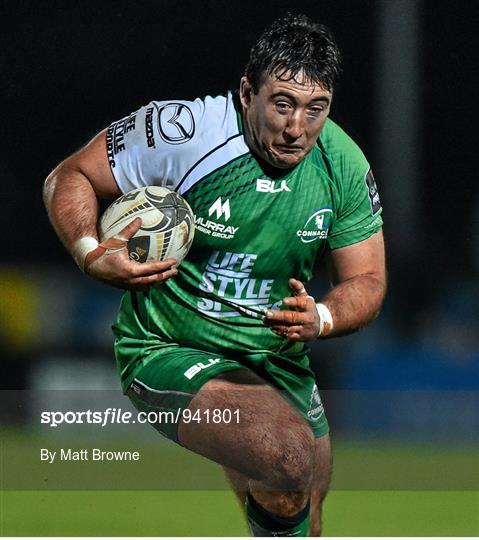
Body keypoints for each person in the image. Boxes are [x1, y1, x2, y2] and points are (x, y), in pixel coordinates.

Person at [43, 13, 386, 537]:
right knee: (289, 457)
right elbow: (70, 176)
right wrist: (91, 251)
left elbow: (367, 281)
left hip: (273, 357)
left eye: (316, 109)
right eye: (283, 104)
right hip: (164, 348)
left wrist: (321, 315)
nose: (297, 128)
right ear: (247, 93)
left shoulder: (342, 165)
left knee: (304, 502)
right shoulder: (185, 133)